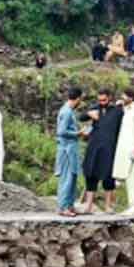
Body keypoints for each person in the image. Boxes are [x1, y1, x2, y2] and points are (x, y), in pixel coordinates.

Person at [80, 89, 124, 214]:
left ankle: (108, 206)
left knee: (108, 177)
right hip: (94, 147)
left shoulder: (117, 110)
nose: (102, 102)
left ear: (110, 97)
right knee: (90, 175)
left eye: (104, 100)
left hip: (109, 148)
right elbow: (81, 117)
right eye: (99, 100)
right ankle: (88, 206)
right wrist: (89, 114)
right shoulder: (95, 108)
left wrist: (123, 103)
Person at [55, 87, 85, 217]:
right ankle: (63, 207)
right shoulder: (66, 112)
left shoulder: (69, 111)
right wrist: (78, 133)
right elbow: (61, 132)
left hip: (71, 149)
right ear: (77, 98)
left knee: (72, 177)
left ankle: (70, 205)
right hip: (66, 150)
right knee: (66, 178)